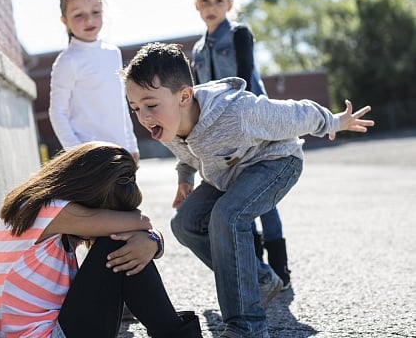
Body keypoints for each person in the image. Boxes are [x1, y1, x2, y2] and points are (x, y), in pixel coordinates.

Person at [121, 43, 374, 338]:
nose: (144, 116)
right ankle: (260, 279)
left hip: (277, 162)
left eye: (150, 105)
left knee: (227, 216)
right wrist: (185, 178)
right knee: (185, 224)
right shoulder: (167, 121)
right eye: (135, 108)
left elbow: (295, 113)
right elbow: (187, 154)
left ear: (184, 96)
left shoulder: (237, 111)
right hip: (229, 174)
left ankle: (248, 326)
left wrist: (333, 121)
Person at [0, 141, 202, 338]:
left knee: (123, 243)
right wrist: (151, 239)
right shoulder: (49, 210)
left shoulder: (41, 210)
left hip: (53, 330)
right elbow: (140, 221)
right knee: (117, 242)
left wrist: (153, 241)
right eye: (108, 213)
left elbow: (142, 227)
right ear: (88, 192)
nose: (107, 223)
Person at [191, 0, 290, 289]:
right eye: (205, 0)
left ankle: (280, 269)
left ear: (230, 5)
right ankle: (259, 271)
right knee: (237, 197)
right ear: (196, 5)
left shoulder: (239, 34)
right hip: (220, 134)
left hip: (253, 125)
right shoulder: (196, 49)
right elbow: (198, 93)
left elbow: (246, 77)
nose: (212, 6)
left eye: (219, 0)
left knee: (264, 199)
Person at [49, 0, 139, 162]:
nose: (89, 20)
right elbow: (57, 112)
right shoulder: (67, 61)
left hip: (121, 151)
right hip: (90, 156)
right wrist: (77, 153)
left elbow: (120, 104)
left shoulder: (113, 53)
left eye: (95, 12)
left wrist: (132, 145)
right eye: (78, 15)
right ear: (65, 21)